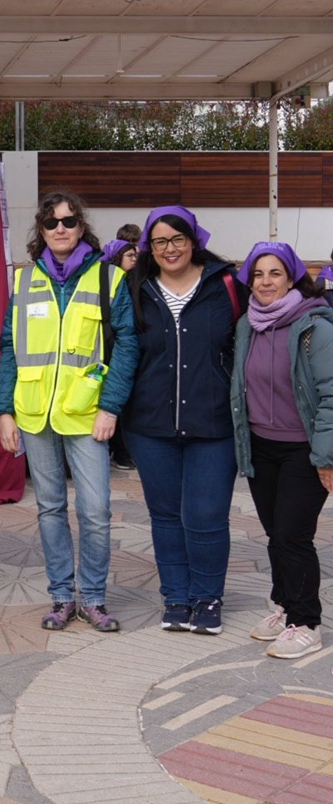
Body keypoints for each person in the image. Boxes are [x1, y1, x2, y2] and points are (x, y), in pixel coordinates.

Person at [0, 191, 138, 633]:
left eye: (70, 222)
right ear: (41, 230)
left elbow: (128, 345)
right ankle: (61, 597)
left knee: (95, 510)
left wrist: (111, 406)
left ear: (82, 228)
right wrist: (4, 411)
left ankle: (93, 598)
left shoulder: (106, 279)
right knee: (50, 509)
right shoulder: (21, 281)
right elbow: (8, 348)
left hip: (87, 415)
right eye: (52, 222)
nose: (61, 229)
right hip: (35, 413)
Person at [122, 206, 244, 635]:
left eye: (177, 239)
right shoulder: (135, 287)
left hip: (214, 424)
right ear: (148, 248)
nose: (169, 248)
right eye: (159, 241)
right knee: (166, 516)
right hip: (150, 425)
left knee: (207, 515)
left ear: (194, 240)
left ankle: (207, 597)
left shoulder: (227, 284)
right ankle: (176, 595)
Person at [231, 242, 333, 659]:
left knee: (293, 535)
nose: (266, 281)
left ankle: (306, 621)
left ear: (291, 278)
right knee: (276, 534)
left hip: (303, 451)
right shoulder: (246, 326)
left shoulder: (315, 327)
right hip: (261, 446)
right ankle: (285, 606)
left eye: (275, 273)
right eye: (258, 274)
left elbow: (330, 394)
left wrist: (326, 457)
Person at [100, 237, 140, 471]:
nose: (136, 259)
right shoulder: (109, 282)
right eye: (130, 256)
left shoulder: (134, 281)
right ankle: (119, 451)